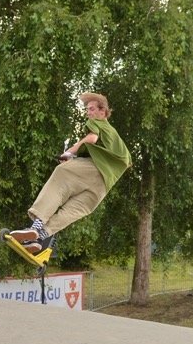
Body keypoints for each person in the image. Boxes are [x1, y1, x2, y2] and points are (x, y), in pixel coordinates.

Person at [10, 92, 131, 254]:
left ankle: (35, 227)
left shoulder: (97, 122)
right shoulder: (115, 137)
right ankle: (38, 238)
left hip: (95, 168)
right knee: (71, 212)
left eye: (92, 109)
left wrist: (69, 153)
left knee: (60, 176)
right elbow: (126, 162)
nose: (88, 112)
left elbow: (91, 139)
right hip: (103, 185)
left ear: (103, 112)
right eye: (87, 109)